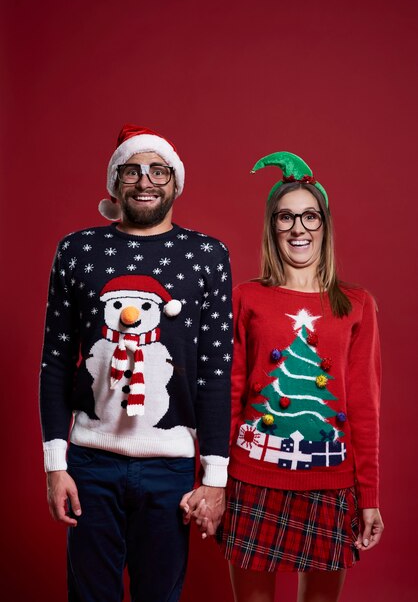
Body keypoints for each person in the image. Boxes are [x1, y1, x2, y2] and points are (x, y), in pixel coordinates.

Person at [39, 123, 232, 602]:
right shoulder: (77, 250)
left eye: (158, 170)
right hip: (90, 461)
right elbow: (57, 363)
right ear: (115, 181)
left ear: (175, 181)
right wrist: (55, 465)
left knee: (159, 595)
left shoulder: (208, 256)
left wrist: (214, 478)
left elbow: (214, 374)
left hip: (170, 466)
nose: (145, 181)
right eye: (132, 170)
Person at [217, 151, 384, 602]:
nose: (298, 228)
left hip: (330, 482)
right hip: (252, 478)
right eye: (286, 217)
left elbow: (365, 408)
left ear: (324, 226)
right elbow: (230, 393)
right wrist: (214, 478)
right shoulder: (246, 297)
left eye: (310, 216)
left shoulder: (356, 304)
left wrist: (368, 496)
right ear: (272, 227)